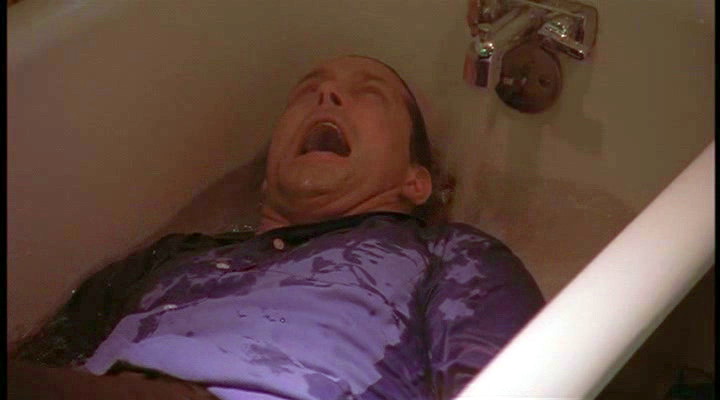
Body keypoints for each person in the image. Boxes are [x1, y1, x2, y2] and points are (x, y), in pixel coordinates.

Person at [9, 55, 545, 400]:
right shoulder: (173, 256)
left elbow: (512, 382)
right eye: (307, 91)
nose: (327, 97)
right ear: (268, 176)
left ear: (416, 180)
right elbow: (47, 352)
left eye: (368, 93)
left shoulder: (448, 253)